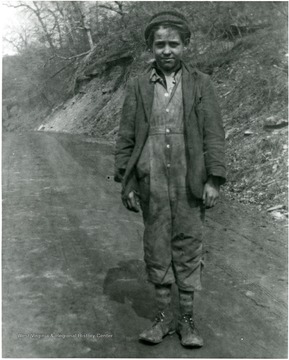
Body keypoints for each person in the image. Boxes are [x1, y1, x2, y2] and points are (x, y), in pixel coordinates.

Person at [114, 10, 226, 348]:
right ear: (150, 47)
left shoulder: (201, 84)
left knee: (189, 245)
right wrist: (129, 181)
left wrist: (214, 180)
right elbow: (126, 137)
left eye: (173, 44)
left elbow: (214, 136)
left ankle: (187, 321)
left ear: (186, 45)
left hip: (188, 180)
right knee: (157, 245)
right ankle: (162, 319)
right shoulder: (137, 85)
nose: (166, 51)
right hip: (152, 184)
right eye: (159, 44)